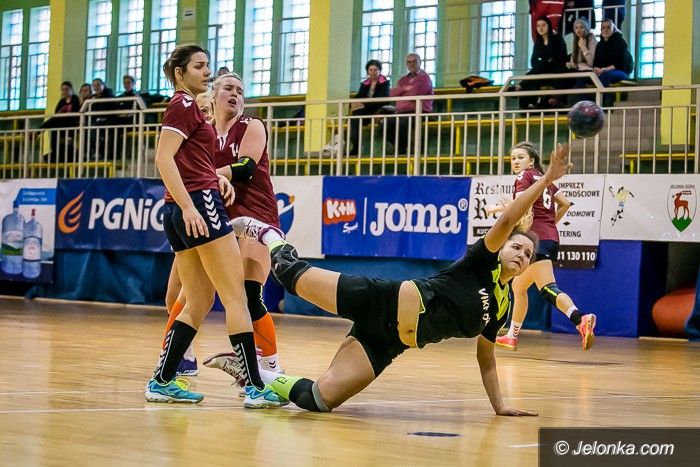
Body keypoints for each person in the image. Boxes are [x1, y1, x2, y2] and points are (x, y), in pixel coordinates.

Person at [209, 143, 574, 415]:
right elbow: (508, 219)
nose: (521, 254)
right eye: (516, 247)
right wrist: (546, 179)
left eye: (527, 254)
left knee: (319, 399)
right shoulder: (482, 262)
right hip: (382, 300)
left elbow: (487, 359)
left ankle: (253, 373)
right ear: (502, 247)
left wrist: (500, 406)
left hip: (389, 343)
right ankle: (267, 233)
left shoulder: (502, 306)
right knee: (290, 275)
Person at [144, 44, 285, 409]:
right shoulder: (184, 104)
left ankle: (162, 380)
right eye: (199, 66)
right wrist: (191, 204)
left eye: (208, 66)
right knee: (235, 296)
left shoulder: (200, 111)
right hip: (200, 207)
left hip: (187, 207)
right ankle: (255, 386)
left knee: (199, 300)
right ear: (180, 73)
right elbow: (163, 158)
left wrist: (213, 179)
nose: (206, 72)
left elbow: (191, 162)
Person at [491, 142, 596, 351]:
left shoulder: (525, 177)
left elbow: (521, 204)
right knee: (518, 287)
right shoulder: (544, 179)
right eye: (513, 158)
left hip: (535, 239)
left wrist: (496, 209)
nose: (515, 162)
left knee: (547, 288)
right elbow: (565, 203)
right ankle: (511, 336)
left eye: (520, 157)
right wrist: (549, 224)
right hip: (549, 238)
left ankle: (580, 318)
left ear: (531, 161)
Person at [384, 53, 433, 155]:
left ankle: (400, 149)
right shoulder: (403, 79)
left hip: (419, 112)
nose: (411, 64)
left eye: (414, 61)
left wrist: (402, 91)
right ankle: (401, 145)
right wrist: (406, 88)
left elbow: (414, 93)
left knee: (402, 123)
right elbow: (392, 93)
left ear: (420, 62)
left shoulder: (424, 78)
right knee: (383, 125)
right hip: (401, 112)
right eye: (409, 62)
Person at [519, 16, 568, 109]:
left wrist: (545, 61)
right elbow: (533, 60)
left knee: (539, 69)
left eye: (543, 25)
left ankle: (522, 86)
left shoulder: (558, 39)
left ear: (549, 26)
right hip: (542, 70)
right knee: (537, 74)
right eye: (538, 26)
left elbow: (560, 58)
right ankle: (528, 105)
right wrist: (545, 61)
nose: (540, 28)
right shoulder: (538, 42)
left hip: (556, 70)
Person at [348, 59, 390, 156]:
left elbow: (382, 100)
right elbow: (359, 96)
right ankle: (355, 146)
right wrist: (354, 103)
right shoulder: (364, 84)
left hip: (378, 109)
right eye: (370, 70)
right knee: (354, 117)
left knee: (357, 115)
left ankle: (357, 147)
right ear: (367, 71)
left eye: (375, 70)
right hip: (366, 110)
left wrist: (363, 104)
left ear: (379, 71)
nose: (373, 72)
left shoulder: (385, 83)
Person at [40, 81, 80, 162]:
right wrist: (61, 113)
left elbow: (75, 114)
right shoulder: (61, 101)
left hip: (72, 123)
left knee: (54, 122)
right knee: (53, 123)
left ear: (71, 90)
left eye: (67, 89)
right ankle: (40, 130)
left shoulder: (75, 99)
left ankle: (39, 130)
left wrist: (64, 113)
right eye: (62, 90)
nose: (64, 91)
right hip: (61, 123)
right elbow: (56, 115)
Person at [593, 19, 632, 88]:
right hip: (603, 71)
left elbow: (619, 64)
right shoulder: (599, 45)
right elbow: (596, 62)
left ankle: (604, 95)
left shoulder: (620, 42)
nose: (605, 30)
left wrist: (603, 70)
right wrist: (596, 69)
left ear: (613, 29)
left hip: (620, 72)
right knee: (586, 77)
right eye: (603, 28)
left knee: (605, 76)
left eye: (608, 27)